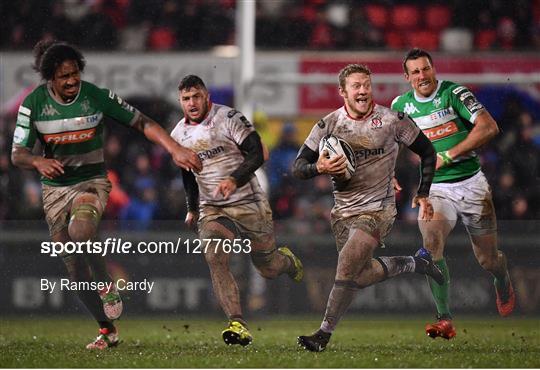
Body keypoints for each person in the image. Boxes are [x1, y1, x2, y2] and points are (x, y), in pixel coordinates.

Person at [11, 40, 201, 350]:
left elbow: (142, 122)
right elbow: (17, 154)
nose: (72, 80)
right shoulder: (33, 104)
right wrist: (36, 160)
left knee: (81, 231)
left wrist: (175, 149)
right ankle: (106, 329)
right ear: (50, 78)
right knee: (74, 272)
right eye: (64, 76)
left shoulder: (95, 97)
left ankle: (105, 284)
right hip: (56, 190)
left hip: (91, 182)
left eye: (75, 73)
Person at [293, 63, 443, 352]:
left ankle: (322, 334)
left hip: (378, 210)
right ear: (343, 92)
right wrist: (319, 167)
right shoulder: (329, 124)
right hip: (343, 213)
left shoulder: (392, 120)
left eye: (367, 85)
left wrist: (423, 191)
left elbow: (427, 151)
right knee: (356, 276)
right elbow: (298, 167)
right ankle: (415, 263)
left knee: (347, 263)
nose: (363, 90)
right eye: (356, 86)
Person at [391, 48, 515, 340]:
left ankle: (502, 277)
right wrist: (389, 172)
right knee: (431, 244)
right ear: (407, 77)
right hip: (435, 188)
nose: (422, 76)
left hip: (472, 185)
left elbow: (489, 127)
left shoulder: (454, 93)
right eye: (416, 72)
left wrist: (448, 154)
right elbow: (392, 142)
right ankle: (444, 318)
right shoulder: (401, 105)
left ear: (433, 69)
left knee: (487, 259)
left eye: (426, 69)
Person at [171, 75, 303, 346]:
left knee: (267, 267)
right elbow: (188, 173)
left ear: (206, 96)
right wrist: (192, 208)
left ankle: (287, 262)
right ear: (180, 101)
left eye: (196, 96)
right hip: (212, 206)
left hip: (248, 201)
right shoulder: (178, 134)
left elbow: (258, 153)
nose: (192, 103)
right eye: (186, 99)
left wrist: (234, 179)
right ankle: (237, 322)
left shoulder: (229, 118)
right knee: (215, 256)